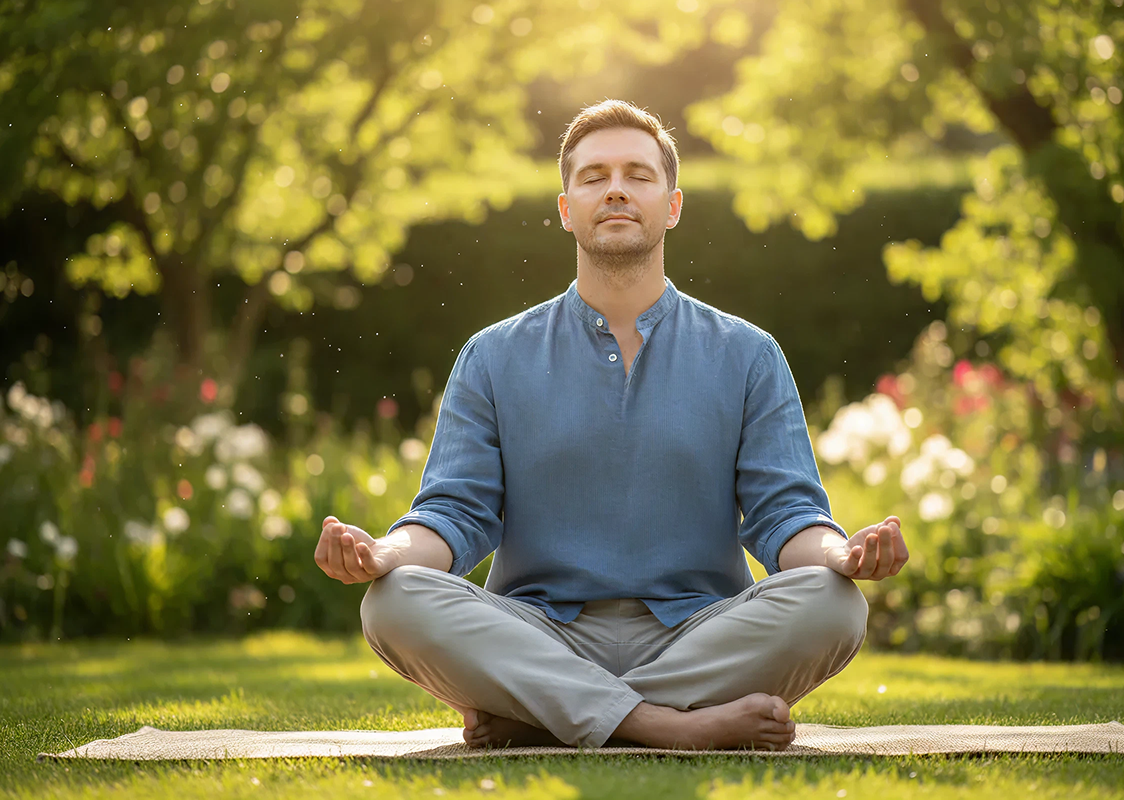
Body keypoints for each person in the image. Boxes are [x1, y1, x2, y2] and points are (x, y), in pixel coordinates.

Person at [314, 100, 910, 751]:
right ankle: (662, 725)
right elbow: (456, 512)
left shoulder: (747, 354)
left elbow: (784, 513)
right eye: (595, 176)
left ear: (673, 205)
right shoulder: (493, 355)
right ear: (567, 209)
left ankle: (545, 714)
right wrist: (383, 554)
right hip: (538, 633)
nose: (617, 188)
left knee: (835, 603)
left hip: (700, 636)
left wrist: (840, 554)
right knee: (392, 600)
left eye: (638, 174)